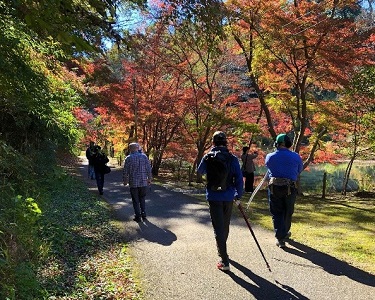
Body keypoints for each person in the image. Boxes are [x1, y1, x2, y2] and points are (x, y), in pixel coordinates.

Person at [197, 131, 243, 272]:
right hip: (228, 196)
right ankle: (222, 250)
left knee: (218, 227)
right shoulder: (232, 158)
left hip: (213, 196)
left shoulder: (207, 157)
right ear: (225, 142)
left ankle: (224, 259)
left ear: (213, 142)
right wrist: (238, 195)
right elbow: (239, 179)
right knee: (225, 224)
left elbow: (200, 172)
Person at [265, 133, 303, 248]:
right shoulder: (296, 156)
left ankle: (280, 236)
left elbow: (268, 167)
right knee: (288, 211)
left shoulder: (270, 156)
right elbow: (299, 170)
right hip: (290, 188)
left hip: (274, 188)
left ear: (277, 144)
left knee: (277, 212)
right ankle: (284, 232)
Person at [123, 143, 152, 222]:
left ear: (130, 149)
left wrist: (125, 180)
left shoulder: (128, 158)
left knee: (135, 200)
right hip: (143, 182)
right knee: (142, 198)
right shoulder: (144, 157)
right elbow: (148, 169)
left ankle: (137, 216)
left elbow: (125, 170)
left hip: (133, 182)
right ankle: (143, 213)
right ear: (137, 148)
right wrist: (149, 178)